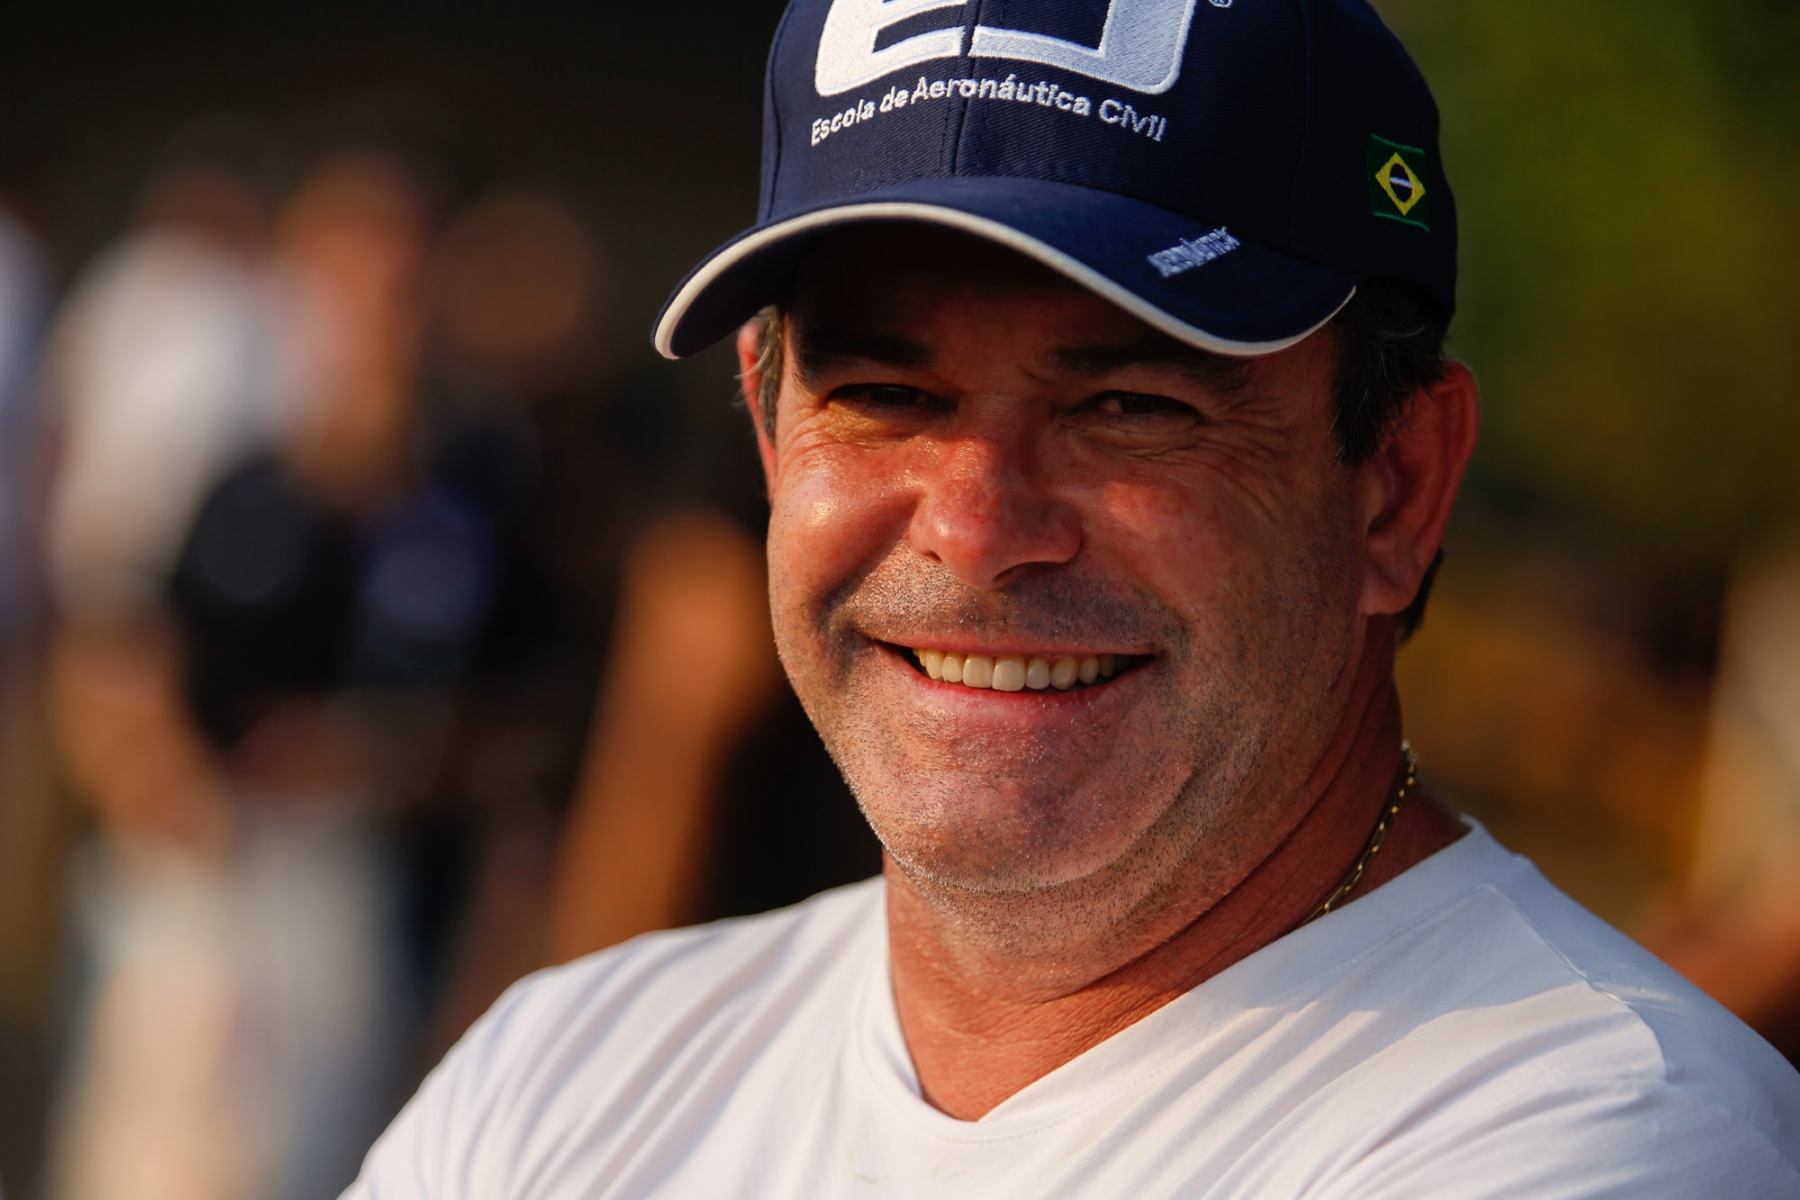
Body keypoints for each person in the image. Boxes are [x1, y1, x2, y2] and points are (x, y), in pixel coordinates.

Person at [345, 0, 1800, 1194]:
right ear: (769, 432)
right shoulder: (560, 1080)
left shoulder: (1599, 1134)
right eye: (886, 394)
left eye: (1132, 406)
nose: (979, 532)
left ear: (1398, 488)